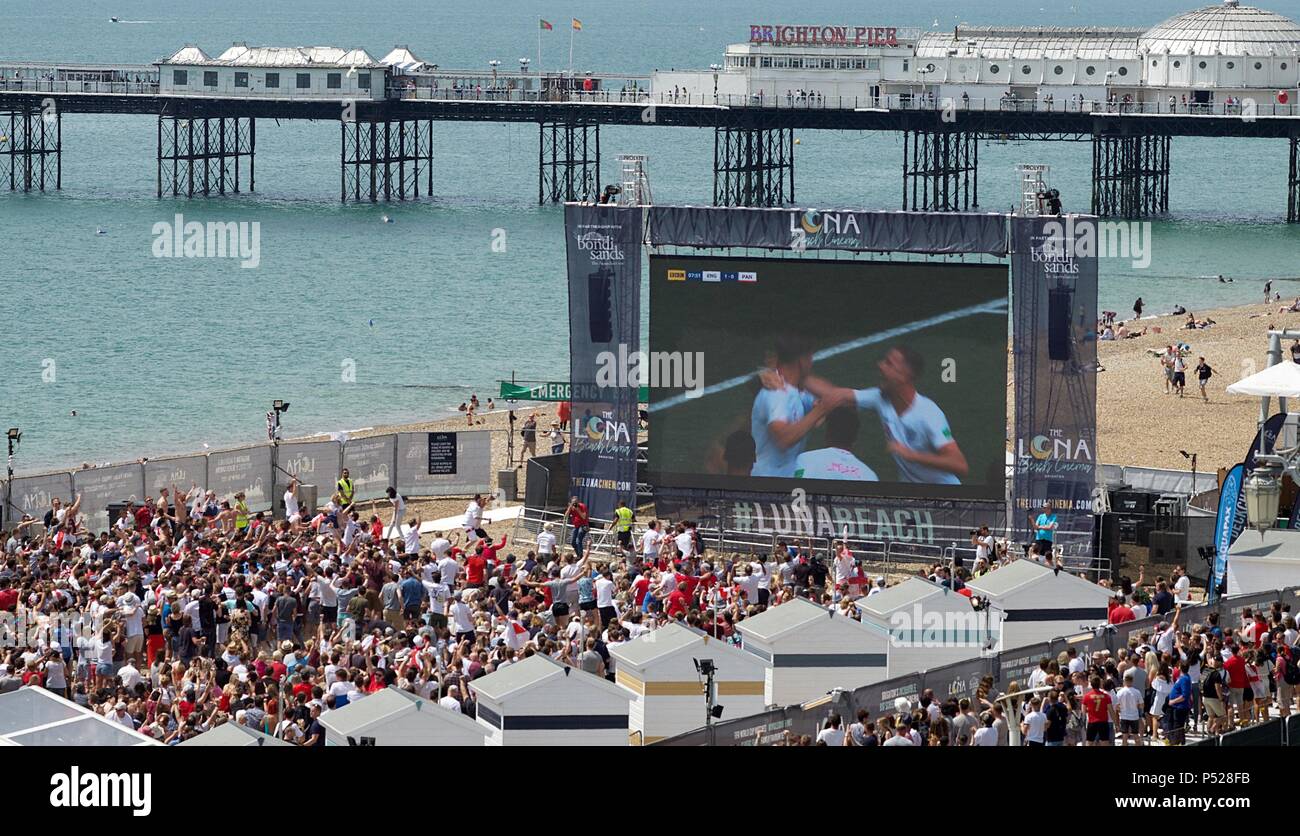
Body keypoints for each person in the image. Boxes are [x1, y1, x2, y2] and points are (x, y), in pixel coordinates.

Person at [799, 344, 968, 484]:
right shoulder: (880, 398)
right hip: (914, 497)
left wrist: (911, 455)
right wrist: (793, 371)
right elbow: (837, 394)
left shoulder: (928, 414)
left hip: (945, 497)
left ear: (905, 376)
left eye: (889, 364)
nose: (880, 365)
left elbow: (959, 465)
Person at [749, 335, 831, 477]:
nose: (812, 363)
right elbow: (784, 439)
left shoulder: (793, 391)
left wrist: (820, 408)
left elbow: (831, 398)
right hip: (766, 484)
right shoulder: (776, 393)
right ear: (802, 360)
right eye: (810, 357)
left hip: (783, 479)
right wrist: (820, 410)